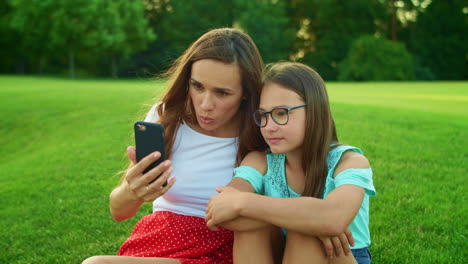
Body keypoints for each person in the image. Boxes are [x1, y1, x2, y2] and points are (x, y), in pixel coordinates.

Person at [82, 27, 267, 264]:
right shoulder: (166, 117)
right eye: (197, 86)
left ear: (245, 93)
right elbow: (118, 211)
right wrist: (133, 191)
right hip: (155, 240)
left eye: (222, 93)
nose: (205, 104)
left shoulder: (261, 131)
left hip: (218, 249)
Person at [205, 61, 376, 264]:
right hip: (281, 255)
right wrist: (312, 219)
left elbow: (334, 218)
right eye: (263, 116)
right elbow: (223, 210)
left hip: (340, 257)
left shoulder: (350, 162)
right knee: (259, 227)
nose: (268, 127)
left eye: (281, 113)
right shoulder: (260, 161)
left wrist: (243, 202)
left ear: (314, 111)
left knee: (305, 234)